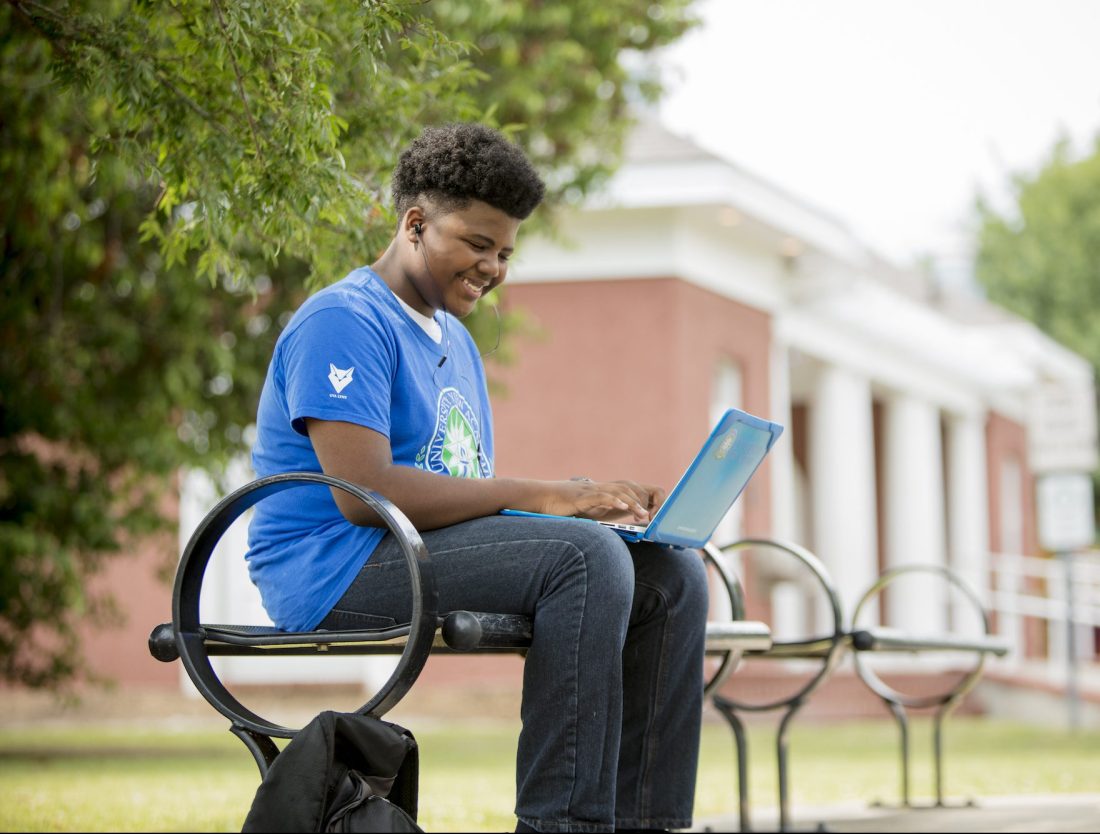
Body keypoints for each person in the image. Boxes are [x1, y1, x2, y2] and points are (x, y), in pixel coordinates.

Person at [245, 123, 709, 833]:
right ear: (415, 223)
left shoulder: (454, 338)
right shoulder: (344, 319)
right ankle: (562, 826)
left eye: (505, 252)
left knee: (672, 574)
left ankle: (643, 822)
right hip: (330, 564)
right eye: (477, 244)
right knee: (582, 559)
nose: (492, 267)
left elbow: (464, 491)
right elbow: (365, 496)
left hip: (411, 551)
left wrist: (586, 500)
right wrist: (549, 501)